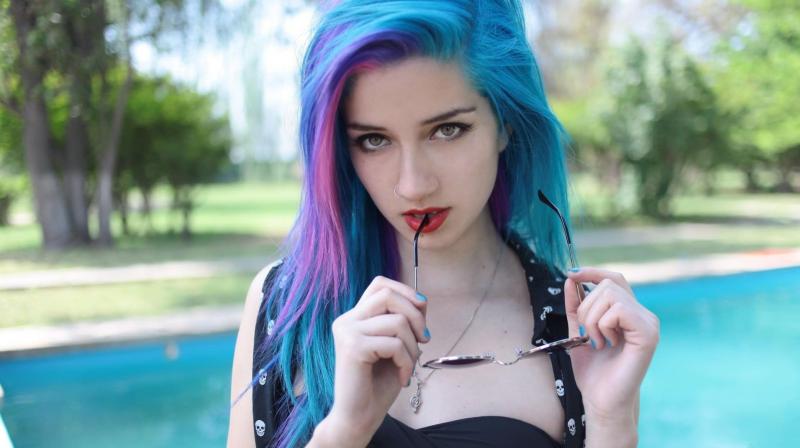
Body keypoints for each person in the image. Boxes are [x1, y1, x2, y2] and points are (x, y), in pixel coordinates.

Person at [228, 0, 660, 447]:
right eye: (374, 140)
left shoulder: (573, 332)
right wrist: (344, 432)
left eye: (447, 130)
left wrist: (612, 422)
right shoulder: (285, 306)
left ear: (505, 123)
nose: (413, 185)